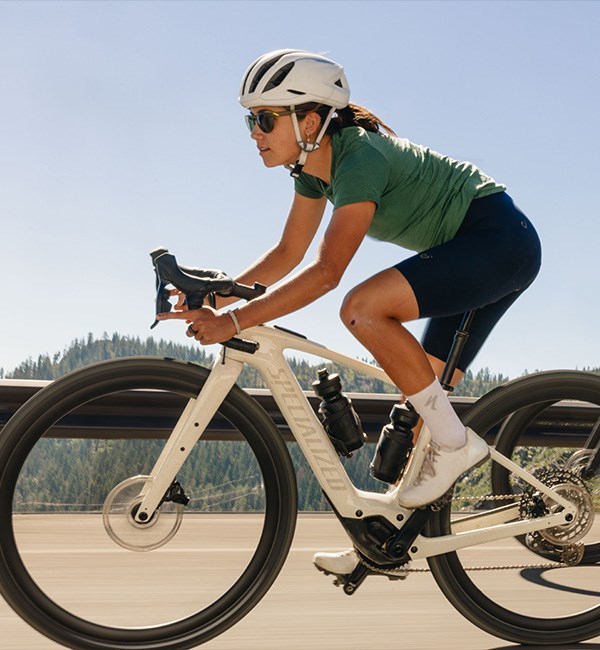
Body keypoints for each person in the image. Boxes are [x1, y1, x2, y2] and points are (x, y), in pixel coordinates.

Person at [157, 49, 542, 577]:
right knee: (422, 401)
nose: (254, 132)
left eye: (264, 119)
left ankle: (456, 445)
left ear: (308, 121)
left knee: (362, 309)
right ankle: (383, 543)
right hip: (473, 252)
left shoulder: (359, 156)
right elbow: (288, 253)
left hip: (498, 241)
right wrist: (219, 293)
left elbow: (326, 271)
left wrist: (236, 322)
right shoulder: (314, 171)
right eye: (251, 119)